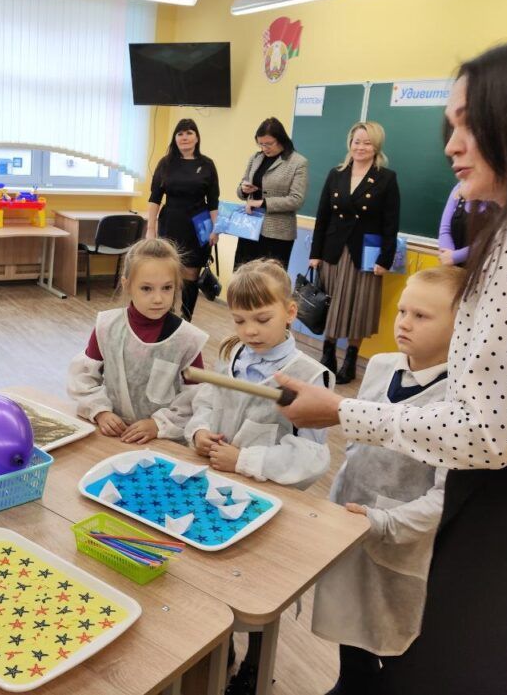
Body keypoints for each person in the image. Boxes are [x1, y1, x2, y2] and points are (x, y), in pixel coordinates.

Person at [275, 38, 507, 695]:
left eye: (470, 122)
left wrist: (342, 411)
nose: (452, 145)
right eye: (450, 124)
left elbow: (484, 432)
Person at [311, 265, 464, 695]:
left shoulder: (458, 400)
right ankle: (352, 680)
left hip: (405, 536)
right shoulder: (379, 366)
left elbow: (444, 496)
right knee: (350, 611)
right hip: (352, 516)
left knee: (396, 627)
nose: (404, 324)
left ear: (462, 326)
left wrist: (386, 523)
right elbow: (359, 443)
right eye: (402, 312)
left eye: (422, 316)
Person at [183, 258, 332, 695]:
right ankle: (223, 646)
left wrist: (246, 459)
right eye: (240, 320)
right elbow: (206, 401)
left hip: (269, 504)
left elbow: (312, 457)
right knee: (215, 572)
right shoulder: (232, 355)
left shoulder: (310, 377)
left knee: (259, 593)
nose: (250, 330)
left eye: (262, 319)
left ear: (289, 312)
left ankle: (255, 663)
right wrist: (200, 432)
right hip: (219, 490)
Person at [67, 238, 208, 444]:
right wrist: (100, 411)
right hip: (112, 434)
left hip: (162, 439)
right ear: (127, 285)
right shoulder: (107, 326)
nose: (158, 298)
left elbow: (196, 397)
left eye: (167, 288)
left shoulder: (187, 339)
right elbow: (84, 379)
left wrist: (158, 424)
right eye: (146, 289)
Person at [309, 121, 400, 384]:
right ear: (350, 143)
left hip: (366, 255)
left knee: (359, 307)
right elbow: (322, 216)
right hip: (333, 251)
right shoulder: (336, 173)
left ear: (376, 146)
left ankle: (350, 358)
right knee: (331, 305)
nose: (360, 147)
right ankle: (327, 355)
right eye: (357, 141)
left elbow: (391, 224)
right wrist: (315, 253)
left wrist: (385, 259)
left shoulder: (386, 177)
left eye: (367, 142)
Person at [146, 118, 220, 320]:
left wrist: (216, 229)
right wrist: (150, 228)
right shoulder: (166, 163)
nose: (184, 137)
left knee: (191, 275)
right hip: (171, 223)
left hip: (199, 227)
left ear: (197, 138)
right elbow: (155, 198)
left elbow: (213, 201)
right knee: (167, 272)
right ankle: (165, 316)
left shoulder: (207, 164)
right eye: (180, 133)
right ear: (175, 138)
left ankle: (186, 319)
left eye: (189, 133)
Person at [233, 117, 309, 270]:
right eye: (261, 144)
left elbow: (296, 200)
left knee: (269, 281)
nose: (264, 148)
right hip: (250, 228)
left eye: (269, 144)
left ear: (281, 140)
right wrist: (243, 189)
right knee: (244, 277)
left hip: (278, 234)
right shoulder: (256, 158)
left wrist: (262, 203)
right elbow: (241, 190)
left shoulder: (298, 162)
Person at [436, 181, 493, 266]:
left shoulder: (498, 196)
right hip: (451, 266)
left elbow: (489, 239)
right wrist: (449, 259)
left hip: (482, 268)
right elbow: (445, 230)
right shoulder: (459, 188)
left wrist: (455, 257)